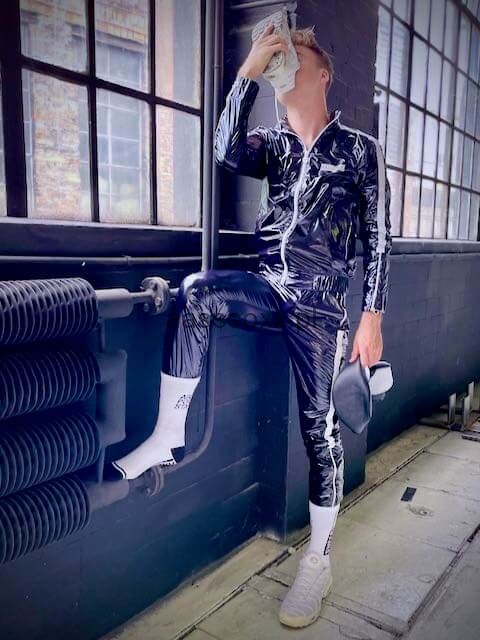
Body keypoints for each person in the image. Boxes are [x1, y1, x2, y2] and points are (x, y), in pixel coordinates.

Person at [109, 22, 392, 629]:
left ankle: (317, 560)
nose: (285, 66)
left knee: (320, 433)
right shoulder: (273, 145)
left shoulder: (360, 150)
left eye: (295, 58)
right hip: (267, 286)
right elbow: (224, 151)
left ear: (323, 75)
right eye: (279, 59)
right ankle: (167, 433)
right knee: (196, 293)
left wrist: (371, 316)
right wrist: (247, 72)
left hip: (320, 306)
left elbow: (378, 239)